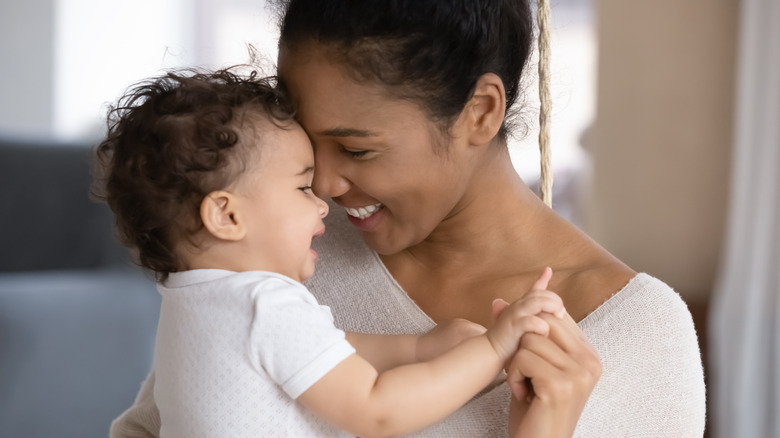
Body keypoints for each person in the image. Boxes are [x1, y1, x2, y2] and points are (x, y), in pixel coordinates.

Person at [111, 0, 706, 436]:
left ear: (480, 111)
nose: (322, 185)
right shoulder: (276, 252)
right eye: (307, 146)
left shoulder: (636, 336)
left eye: (357, 149)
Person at [94, 68, 572, 438]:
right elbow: (378, 410)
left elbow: (325, 347)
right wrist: (493, 348)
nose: (323, 200)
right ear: (227, 214)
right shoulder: (265, 302)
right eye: (302, 186)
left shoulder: (192, 303)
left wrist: (421, 347)